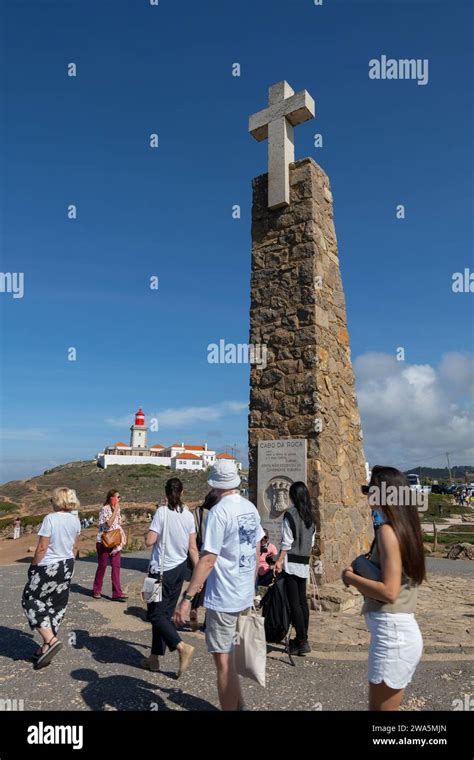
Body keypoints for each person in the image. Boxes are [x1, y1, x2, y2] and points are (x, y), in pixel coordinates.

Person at [175, 460, 264, 711]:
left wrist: (187, 598)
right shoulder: (250, 507)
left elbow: (208, 558)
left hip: (224, 597)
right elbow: (257, 547)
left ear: (214, 484)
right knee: (231, 660)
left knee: (223, 663)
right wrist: (251, 581)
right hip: (244, 594)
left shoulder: (218, 512)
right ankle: (240, 705)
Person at [342, 465, 426, 711]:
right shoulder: (405, 529)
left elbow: (389, 592)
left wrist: (350, 577)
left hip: (393, 636)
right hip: (398, 633)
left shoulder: (388, 532)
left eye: (370, 489)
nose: (367, 495)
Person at [142, 478, 198, 676]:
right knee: (164, 615)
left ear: (165, 493)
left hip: (160, 571)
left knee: (155, 615)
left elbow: (150, 541)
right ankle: (154, 658)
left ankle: (181, 646)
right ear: (182, 493)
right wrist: (199, 574)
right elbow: (192, 547)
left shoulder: (161, 513)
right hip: (179, 570)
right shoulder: (188, 516)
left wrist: (146, 532)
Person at [21, 487, 81, 669]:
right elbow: (75, 548)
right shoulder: (75, 520)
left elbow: (41, 548)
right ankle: (46, 647)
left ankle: (50, 639)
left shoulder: (50, 519)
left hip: (49, 566)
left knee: (30, 599)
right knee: (56, 605)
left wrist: (33, 567)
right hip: (67, 565)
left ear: (58, 501)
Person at [274, 481, 315, 656]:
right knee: (302, 602)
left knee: (294, 603)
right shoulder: (310, 517)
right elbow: (311, 542)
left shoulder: (290, 515)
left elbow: (286, 542)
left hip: (291, 563)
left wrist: (279, 561)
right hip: (304, 562)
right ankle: (302, 637)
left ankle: (302, 640)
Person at [189, 489, 221, 626]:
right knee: (213, 586)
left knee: (198, 582)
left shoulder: (196, 512)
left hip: (197, 551)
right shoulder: (216, 514)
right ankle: (208, 619)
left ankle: (194, 608)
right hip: (213, 553)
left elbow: (192, 534)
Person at [92, 490, 127, 601]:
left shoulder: (117, 509)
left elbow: (118, 523)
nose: (119, 499)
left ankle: (117, 593)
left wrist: (118, 513)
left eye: (119, 497)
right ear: (111, 498)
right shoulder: (104, 509)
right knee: (102, 566)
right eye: (117, 497)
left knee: (116, 567)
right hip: (104, 541)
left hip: (115, 541)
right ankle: (96, 590)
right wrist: (115, 511)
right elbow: (108, 524)